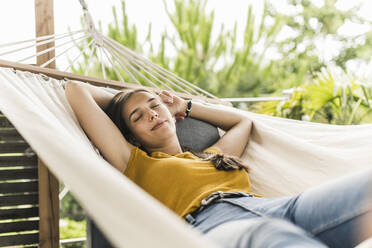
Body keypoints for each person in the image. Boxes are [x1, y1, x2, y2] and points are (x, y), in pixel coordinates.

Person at [65, 80, 372, 248]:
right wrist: (130, 99)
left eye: (155, 106)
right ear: (130, 136)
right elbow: (76, 91)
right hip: (209, 228)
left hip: (275, 208)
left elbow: (242, 122)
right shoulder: (133, 163)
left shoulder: (212, 155)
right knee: (267, 236)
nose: (152, 114)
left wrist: (183, 105)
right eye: (138, 117)